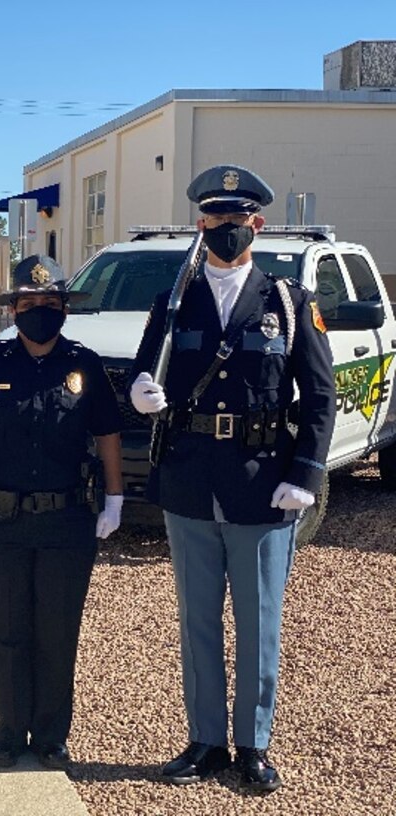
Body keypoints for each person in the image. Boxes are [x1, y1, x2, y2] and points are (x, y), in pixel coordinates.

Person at [130, 165, 336, 793]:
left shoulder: (288, 303)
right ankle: (204, 740)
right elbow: (147, 370)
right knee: (197, 619)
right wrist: (142, 393)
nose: (225, 228)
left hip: (262, 482)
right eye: (214, 219)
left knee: (258, 620)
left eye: (236, 219)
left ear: (258, 225)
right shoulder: (174, 299)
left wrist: (305, 472)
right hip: (191, 480)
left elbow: (322, 394)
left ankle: (253, 744)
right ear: (201, 224)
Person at [0, 255, 124, 770]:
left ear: (64, 307)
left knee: (58, 630)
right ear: (13, 309)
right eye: (29, 302)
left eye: (49, 302)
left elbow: (107, 434)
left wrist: (115, 497)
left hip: (66, 520)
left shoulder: (84, 363)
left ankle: (52, 735)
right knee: (7, 630)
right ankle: (9, 731)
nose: (39, 309)